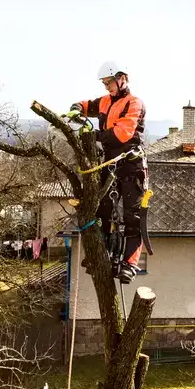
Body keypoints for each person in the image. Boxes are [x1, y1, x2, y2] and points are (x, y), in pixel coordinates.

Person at [71, 61, 147, 283]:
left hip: (131, 163)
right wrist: (76, 109)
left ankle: (129, 264)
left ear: (122, 79)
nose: (107, 87)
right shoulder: (104, 102)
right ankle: (100, 254)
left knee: (132, 218)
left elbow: (122, 134)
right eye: (104, 83)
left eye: (109, 83)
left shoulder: (134, 103)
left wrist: (92, 136)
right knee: (101, 210)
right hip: (110, 163)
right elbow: (86, 105)